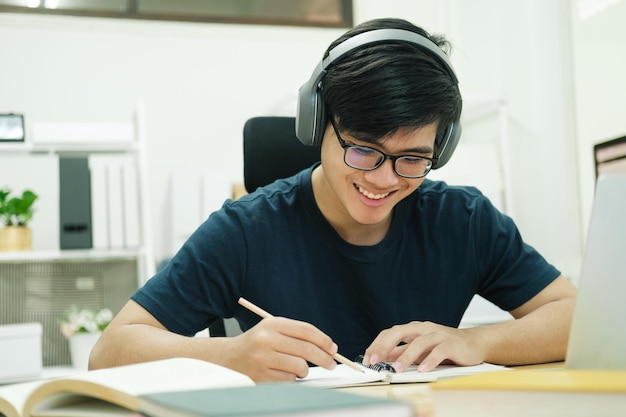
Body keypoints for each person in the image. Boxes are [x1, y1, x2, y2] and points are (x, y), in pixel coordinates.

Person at [90, 17, 577, 382]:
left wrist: (475, 340)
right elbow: (110, 350)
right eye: (364, 149)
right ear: (317, 123)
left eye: (412, 158)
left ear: (440, 150)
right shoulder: (245, 231)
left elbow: (575, 316)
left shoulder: (465, 220)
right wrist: (228, 356)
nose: (384, 180)